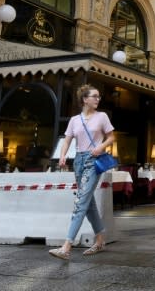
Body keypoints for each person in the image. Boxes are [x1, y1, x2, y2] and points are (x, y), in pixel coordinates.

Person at [49, 84, 116, 260]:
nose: (98, 99)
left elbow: (112, 137)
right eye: (94, 96)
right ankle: (100, 238)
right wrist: (63, 156)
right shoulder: (74, 120)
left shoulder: (102, 117)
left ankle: (66, 246)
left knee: (80, 202)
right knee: (88, 202)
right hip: (78, 161)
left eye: (99, 96)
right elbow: (67, 140)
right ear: (85, 99)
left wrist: (101, 147)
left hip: (93, 161)